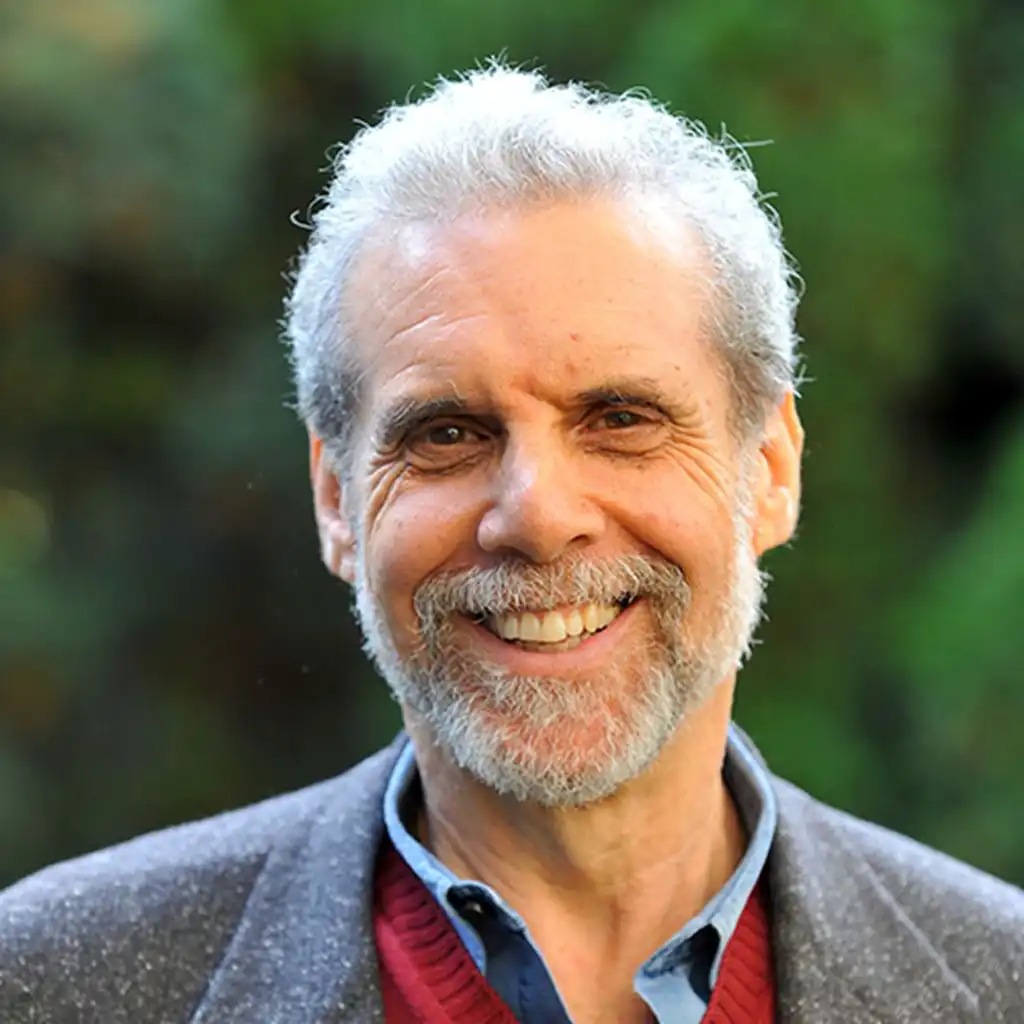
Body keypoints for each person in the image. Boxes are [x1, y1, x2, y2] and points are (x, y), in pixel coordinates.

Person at [2, 63, 1022, 1024]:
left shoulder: (1000, 978)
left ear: (771, 471)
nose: (535, 515)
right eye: (447, 434)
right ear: (336, 500)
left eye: (620, 418)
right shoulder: (51, 980)